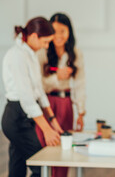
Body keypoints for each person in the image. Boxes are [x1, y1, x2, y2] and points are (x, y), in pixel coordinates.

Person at [1, 17, 63, 177]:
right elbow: (27, 99)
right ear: (34, 36)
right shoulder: (17, 56)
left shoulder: (31, 54)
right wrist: (47, 130)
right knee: (42, 167)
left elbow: (39, 92)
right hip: (15, 116)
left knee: (17, 165)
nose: (46, 46)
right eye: (45, 42)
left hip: (24, 116)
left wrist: (53, 120)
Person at [35, 13, 87, 177]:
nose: (59, 36)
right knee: (46, 146)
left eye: (63, 31)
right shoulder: (42, 52)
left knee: (64, 148)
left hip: (66, 105)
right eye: (55, 31)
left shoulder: (75, 53)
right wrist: (56, 77)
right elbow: (38, 85)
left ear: (69, 32)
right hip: (46, 105)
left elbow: (80, 84)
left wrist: (81, 112)